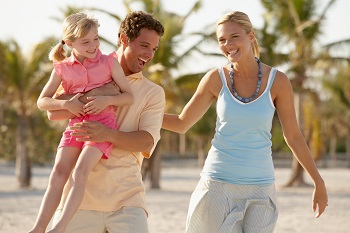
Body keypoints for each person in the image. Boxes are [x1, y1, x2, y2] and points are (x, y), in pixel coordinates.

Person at [162, 11, 328, 233]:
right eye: (222, 40)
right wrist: (139, 112)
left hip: (260, 188)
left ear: (250, 36)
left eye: (234, 37)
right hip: (217, 185)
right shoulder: (215, 79)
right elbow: (182, 123)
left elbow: (294, 136)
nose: (227, 44)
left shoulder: (278, 81)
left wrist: (318, 181)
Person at [37, 11, 165, 233]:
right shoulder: (80, 68)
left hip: (127, 202)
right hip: (80, 204)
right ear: (124, 39)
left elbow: (146, 143)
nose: (149, 54)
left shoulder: (153, 92)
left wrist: (105, 133)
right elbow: (54, 112)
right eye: (144, 45)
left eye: (153, 49)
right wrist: (100, 92)